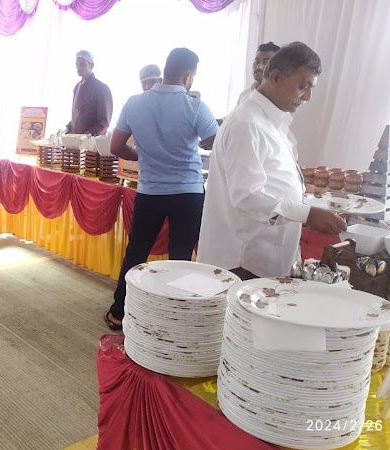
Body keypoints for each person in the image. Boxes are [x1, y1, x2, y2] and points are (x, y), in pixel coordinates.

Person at [197, 42, 347, 281]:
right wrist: (307, 214)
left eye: (311, 88)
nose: (308, 96)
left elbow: (274, 180)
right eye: (303, 86)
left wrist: (306, 199)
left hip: (262, 256)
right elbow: (247, 196)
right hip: (242, 261)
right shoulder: (247, 125)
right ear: (276, 77)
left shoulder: (272, 122)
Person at [104, 48, 219, 330]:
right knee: (180, 257)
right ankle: (173, 318)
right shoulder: (196, 107)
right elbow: (218, 146)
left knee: (136, 253)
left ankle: (119, 312)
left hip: (150, 191)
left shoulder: (134, 103)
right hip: (188, 193)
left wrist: (142, 155)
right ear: (188, 76)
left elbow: (116, 147)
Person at [217, 42, 280, 126]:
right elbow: (234, 117)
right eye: (257, 61)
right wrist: (215, 122)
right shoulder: (245, 93)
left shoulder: (278, 99)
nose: (259, 67)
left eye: (265, 63)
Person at [65, 50, 112, 136]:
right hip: (75, 140)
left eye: (82, 64)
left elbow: (104, 123)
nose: (78, 68)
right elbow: (78, 117)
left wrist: (89, 135)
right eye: (77, 64)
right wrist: (67, 128)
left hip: (91, 141)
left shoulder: (101, 88)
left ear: (91, 65)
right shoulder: (77, 87)